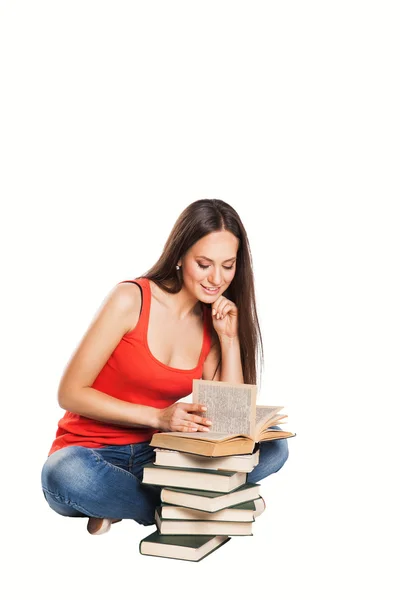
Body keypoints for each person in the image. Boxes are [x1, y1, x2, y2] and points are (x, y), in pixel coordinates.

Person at [41, 199, 289, 535]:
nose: (217, 278)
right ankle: (188, 506)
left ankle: (122, 504)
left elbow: (229, 421)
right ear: (179, 256)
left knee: (274, 448)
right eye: (204, 264)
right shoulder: (131, 299)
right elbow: (69, 393)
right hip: (91, 454)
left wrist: (229, 340)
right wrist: (158, 417)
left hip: (159, 456)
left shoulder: (212, 321)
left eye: (228, 266)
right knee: (64, 473)